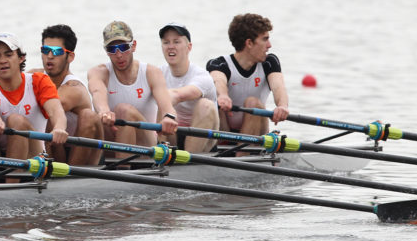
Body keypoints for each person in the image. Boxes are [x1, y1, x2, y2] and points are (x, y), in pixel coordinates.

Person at [0, 32, 68, 159]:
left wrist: (59, 128)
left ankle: (11, 178)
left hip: (36, 156)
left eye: (8, 55)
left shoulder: (38, 81)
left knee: (15, 120)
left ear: (21, 58)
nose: (2, 61)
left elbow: (56, 110)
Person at [88, 20, 178, 148]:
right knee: (89, 116)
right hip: (111, 139)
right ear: (106, 51)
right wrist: (104, 111)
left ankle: (123, 166)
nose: (118, 55)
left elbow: (167, 106)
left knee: (123, 110)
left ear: (133, 46)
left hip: (145, 144)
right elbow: (97, 92)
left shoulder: (151, 72)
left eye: (124, 48)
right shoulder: (98, 73)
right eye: (112, 49)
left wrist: (169, 117)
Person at [206, 13, 290, 135]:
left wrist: (282, 106)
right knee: (214, 104)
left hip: (257, 131)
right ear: (249, 43)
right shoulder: (219, 64)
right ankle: (224, 149)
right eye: (265, 39)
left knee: (253, 103)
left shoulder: (269, 62)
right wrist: (223, 96)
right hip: (224, 130)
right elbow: (218, 80)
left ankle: (241, 153)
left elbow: (278, 86)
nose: (269, 45)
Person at [32, 24, 103, 165]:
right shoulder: (33, 75)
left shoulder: (74, 88)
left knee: (87, 115)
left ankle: (71, 177)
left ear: (70, 57)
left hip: (83, 153)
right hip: (55, 148)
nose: (49, 56)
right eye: (45, 50)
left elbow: (47, 108)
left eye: (57, 51)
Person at [158, 22, 219, 153]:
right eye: (166, 42)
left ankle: (188, 162)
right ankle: (164, 156)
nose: (171, 47)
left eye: (176, 42)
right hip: (172, 134)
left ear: (189, 47)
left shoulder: (202, 76)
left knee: (205, 105)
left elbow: (178, 95)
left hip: (201, 139)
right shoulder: (157, 74)